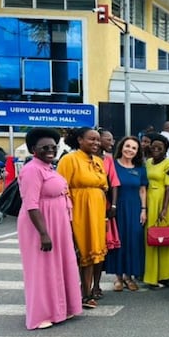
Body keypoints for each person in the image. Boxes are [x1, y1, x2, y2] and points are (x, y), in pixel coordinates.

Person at [17, 128, 82, 329]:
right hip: (40, 224)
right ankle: (41, 315)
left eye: (53, 147)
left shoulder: (48, 167)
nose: (50, 150)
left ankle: (61, 309)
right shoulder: (31, 170)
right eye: (44, 147)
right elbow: (31, 204)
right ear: (33, 149)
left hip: (58, 222)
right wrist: (43, 233)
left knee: (60, 265)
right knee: (42, 269)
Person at [57, 127, 108, 309]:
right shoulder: (69, 159)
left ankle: (93, 289)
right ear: (80, 140)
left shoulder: (98, 161)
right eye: (91, 139)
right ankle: (84, 294)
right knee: (83, 250)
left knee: (97, 250)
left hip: (97, 211)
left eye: (97, 140)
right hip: (79, 209)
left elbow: (104, 187)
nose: (95, 143)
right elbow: (61, 189)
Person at [104, 136, 147, 293]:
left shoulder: (140, 168)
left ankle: (130, 277)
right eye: (127, 146)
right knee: (118, 241)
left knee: (133, 241)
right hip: (117, 208)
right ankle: (119, 278)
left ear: (137, 152)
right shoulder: (112, 165)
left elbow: (142, 190)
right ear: (121, 147)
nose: (130, 150)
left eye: (134, 148)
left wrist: (144, 210)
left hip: (135, 208)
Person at [143, 133, 169, 287]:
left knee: (165, 238)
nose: (156, 149)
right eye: (154, 146)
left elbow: (168, 187)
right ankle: (152, 275)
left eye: (160, 147)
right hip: (150, 200)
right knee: (151, 238)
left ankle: (166, 274)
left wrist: (164, 209)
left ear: (166, 149)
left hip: (164, 202)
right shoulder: (148, 162)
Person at [98, 128, 121, 296]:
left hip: (104, 207)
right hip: (87, 206)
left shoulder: (108, 160)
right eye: (109, 139)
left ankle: (95, 285)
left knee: (102, 247)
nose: (112, 143)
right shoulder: (80, 159)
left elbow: (114, 183)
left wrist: (113, 206)